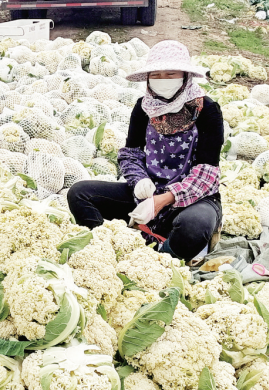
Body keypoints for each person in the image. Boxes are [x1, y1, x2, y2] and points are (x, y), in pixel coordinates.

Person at [67, 40, 224, 262]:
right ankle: (105, 245)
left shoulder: (206, 110)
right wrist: (140, 182)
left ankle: (160, 258)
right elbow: (130, 154)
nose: (163, 80)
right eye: (157, 75)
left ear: (186, 77)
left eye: (171, 74)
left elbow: (207, 173)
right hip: (147, 195)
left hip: (192, 199)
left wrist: (163, 200)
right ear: (148, 78)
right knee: (80, 193)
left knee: (194, 226)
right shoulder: (143, 108)